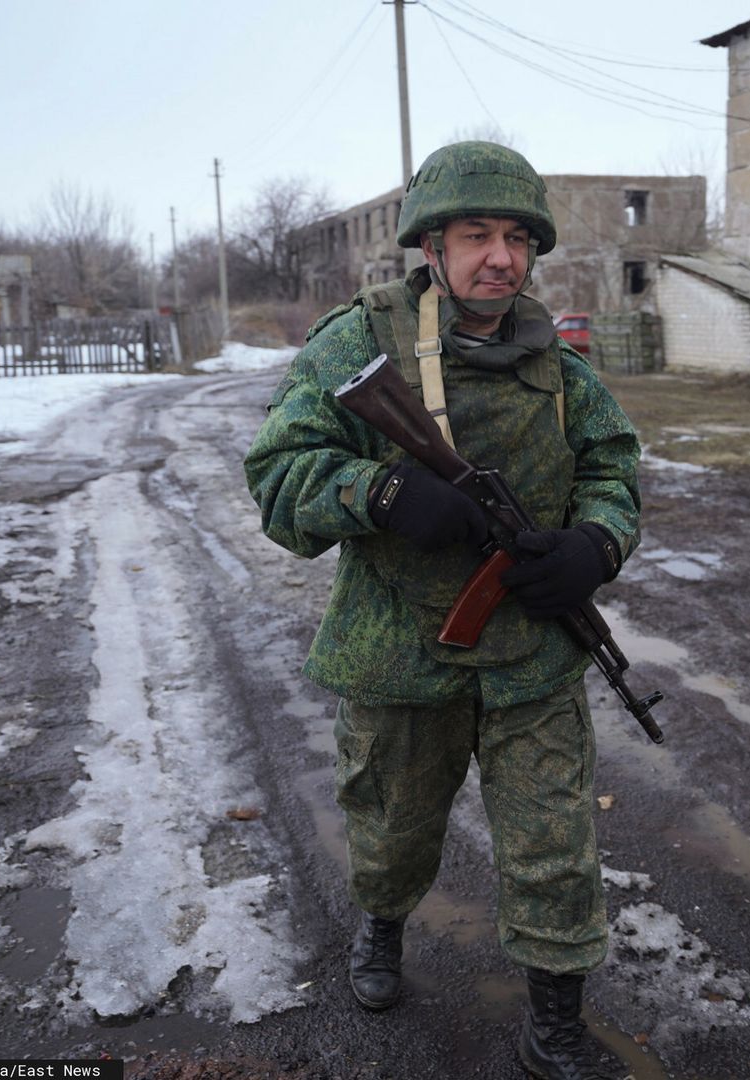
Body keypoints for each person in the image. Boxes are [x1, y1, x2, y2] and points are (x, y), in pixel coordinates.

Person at [243, 141, 641, 1079]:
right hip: (396, 653)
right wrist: (376, 496)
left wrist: (594, 545)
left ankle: (554, 1023)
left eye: (515, 238)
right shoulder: (358, 345)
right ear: (432, 246)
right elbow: (276, 473)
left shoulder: (557, 365)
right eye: (475, 235)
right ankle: (380, 931)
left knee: (555, 844)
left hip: (534, 657)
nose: (499, 257)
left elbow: (614, 470)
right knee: (391, 825)